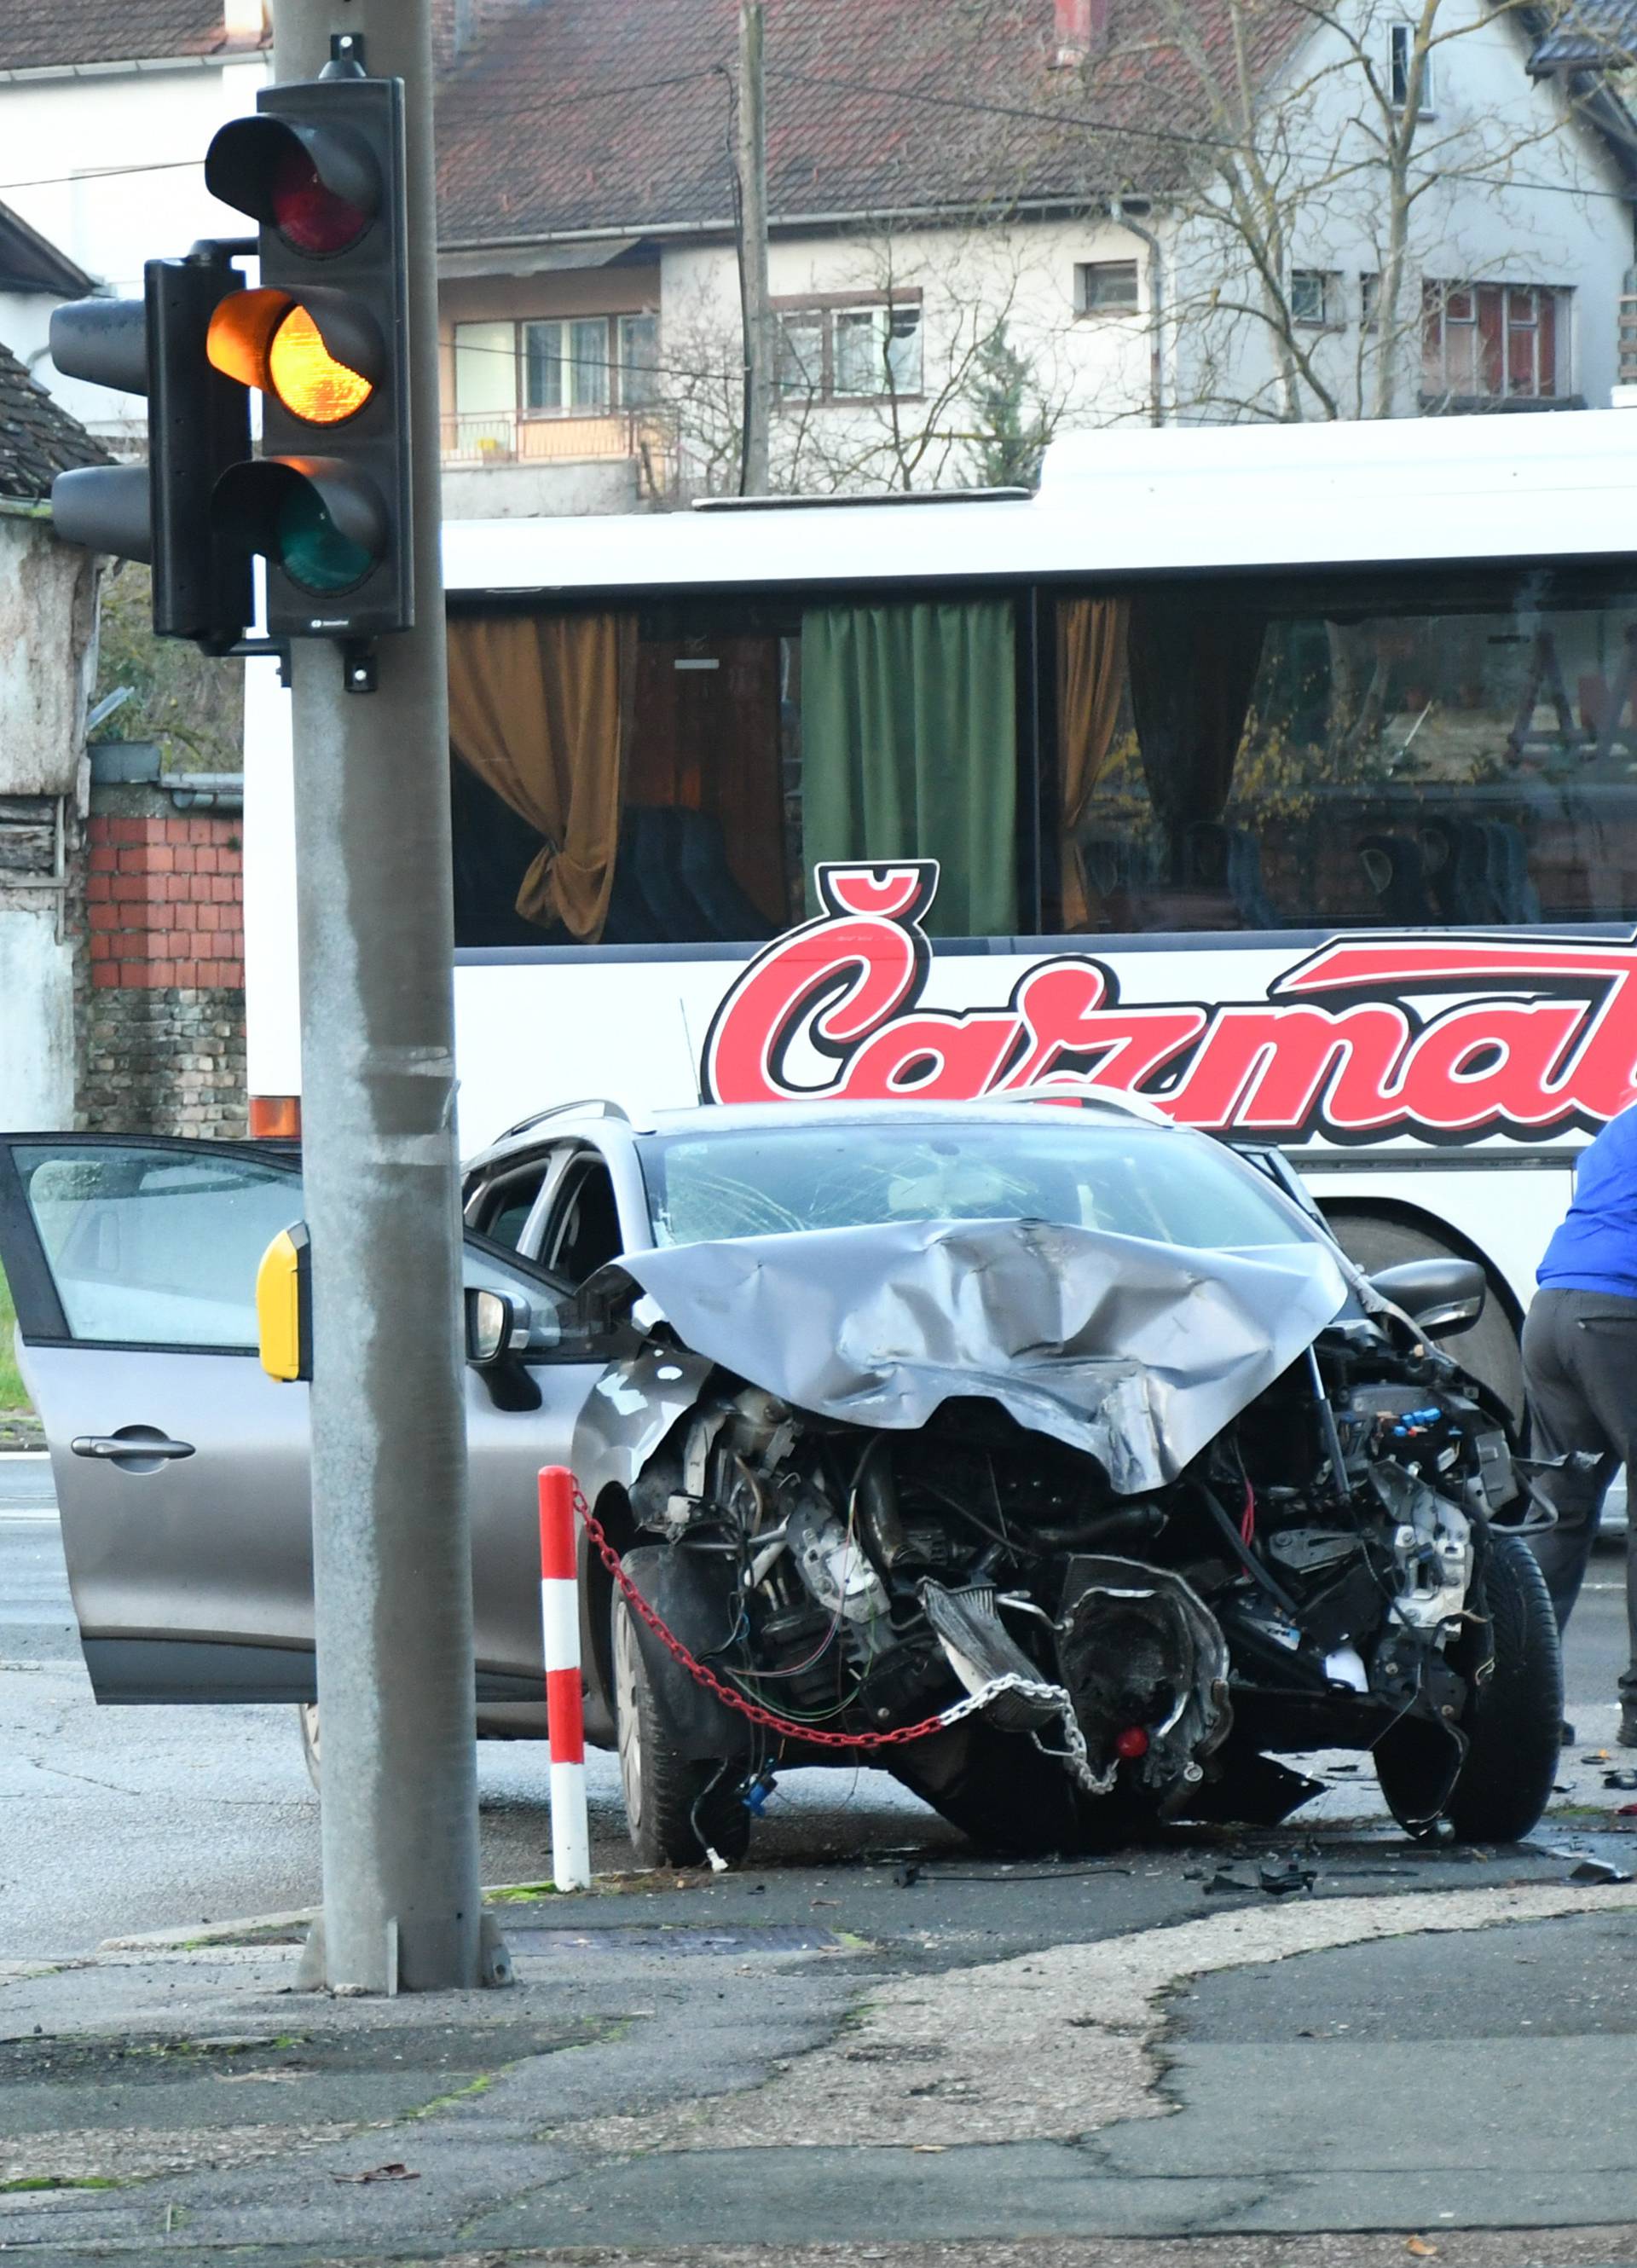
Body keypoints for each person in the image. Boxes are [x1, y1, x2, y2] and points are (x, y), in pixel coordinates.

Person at [1524, 1099, 1637, 1749]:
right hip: (1619, 1316)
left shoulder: (1618, 1127)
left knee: (1561, 1515)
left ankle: (1517, 1708)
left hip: (1552, 1315)